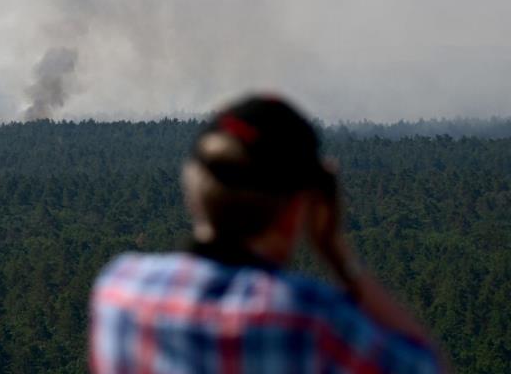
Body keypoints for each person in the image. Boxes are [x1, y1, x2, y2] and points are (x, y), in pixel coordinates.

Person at [89, 95, 442, 373]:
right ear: (297, 208)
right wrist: (338, 254)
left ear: (192, 189)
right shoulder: (310, 318)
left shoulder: (119, 291)